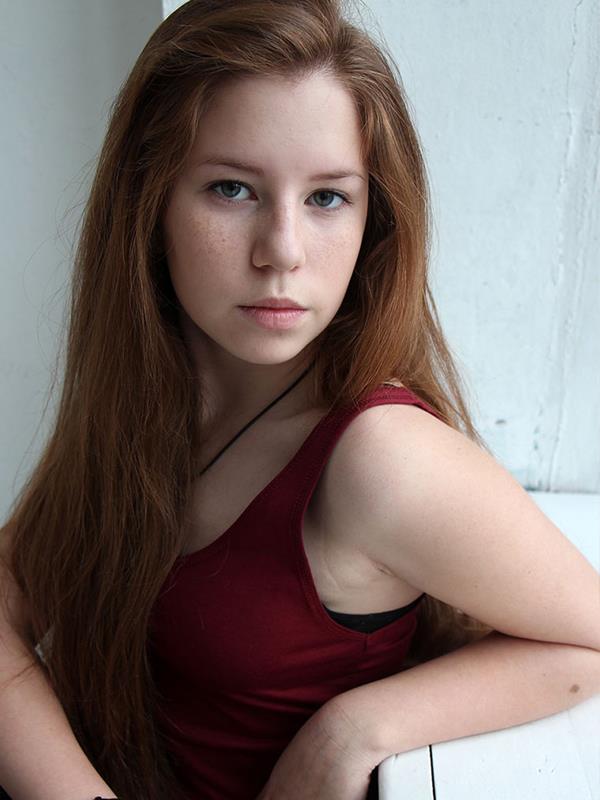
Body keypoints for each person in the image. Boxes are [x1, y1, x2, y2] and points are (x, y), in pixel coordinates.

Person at [1, 0, 599, 798]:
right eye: (232, 189)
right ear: (149, 202)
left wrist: (354, 727)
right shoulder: (152, 398)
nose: (281, 251)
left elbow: (591, 637)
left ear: (374, 219)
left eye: (327, 198)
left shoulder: (380, 459)